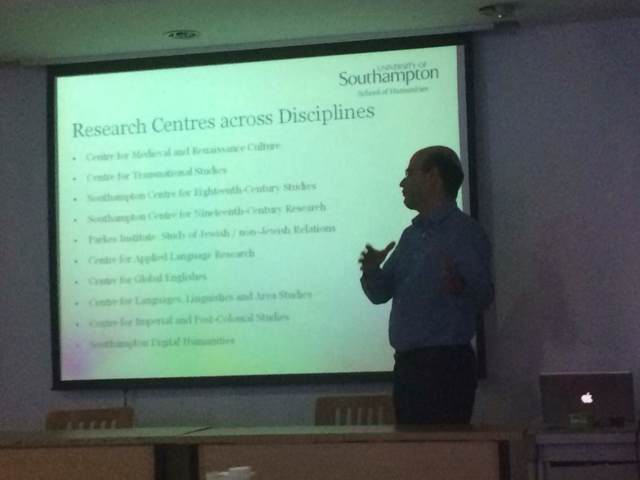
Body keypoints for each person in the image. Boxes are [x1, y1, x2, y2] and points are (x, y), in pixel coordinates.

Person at [359, 146, 494, 425]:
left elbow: (484, 296)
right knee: (412, 449)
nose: (402, 182)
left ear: (433, 177)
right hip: (408, 367)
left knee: (442, 450)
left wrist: (461, 287)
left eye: (410, 173)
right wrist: (371, 270)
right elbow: (381, 294)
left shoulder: (464, 232)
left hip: (446, 367)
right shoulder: (411, 236)